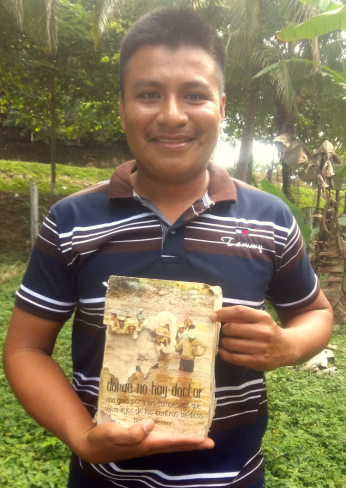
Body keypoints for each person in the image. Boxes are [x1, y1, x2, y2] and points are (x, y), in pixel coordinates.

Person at [3, 6, 333, 488]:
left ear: (220, 106)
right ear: (122, 106)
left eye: (194, 95)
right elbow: (25, 349)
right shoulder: (72, 221)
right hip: (104, 480)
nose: (172, 115)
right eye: (149, 94)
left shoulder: (270, 219)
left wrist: (287, 344)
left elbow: (316, 314)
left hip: (234, 478)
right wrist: (81, 434)